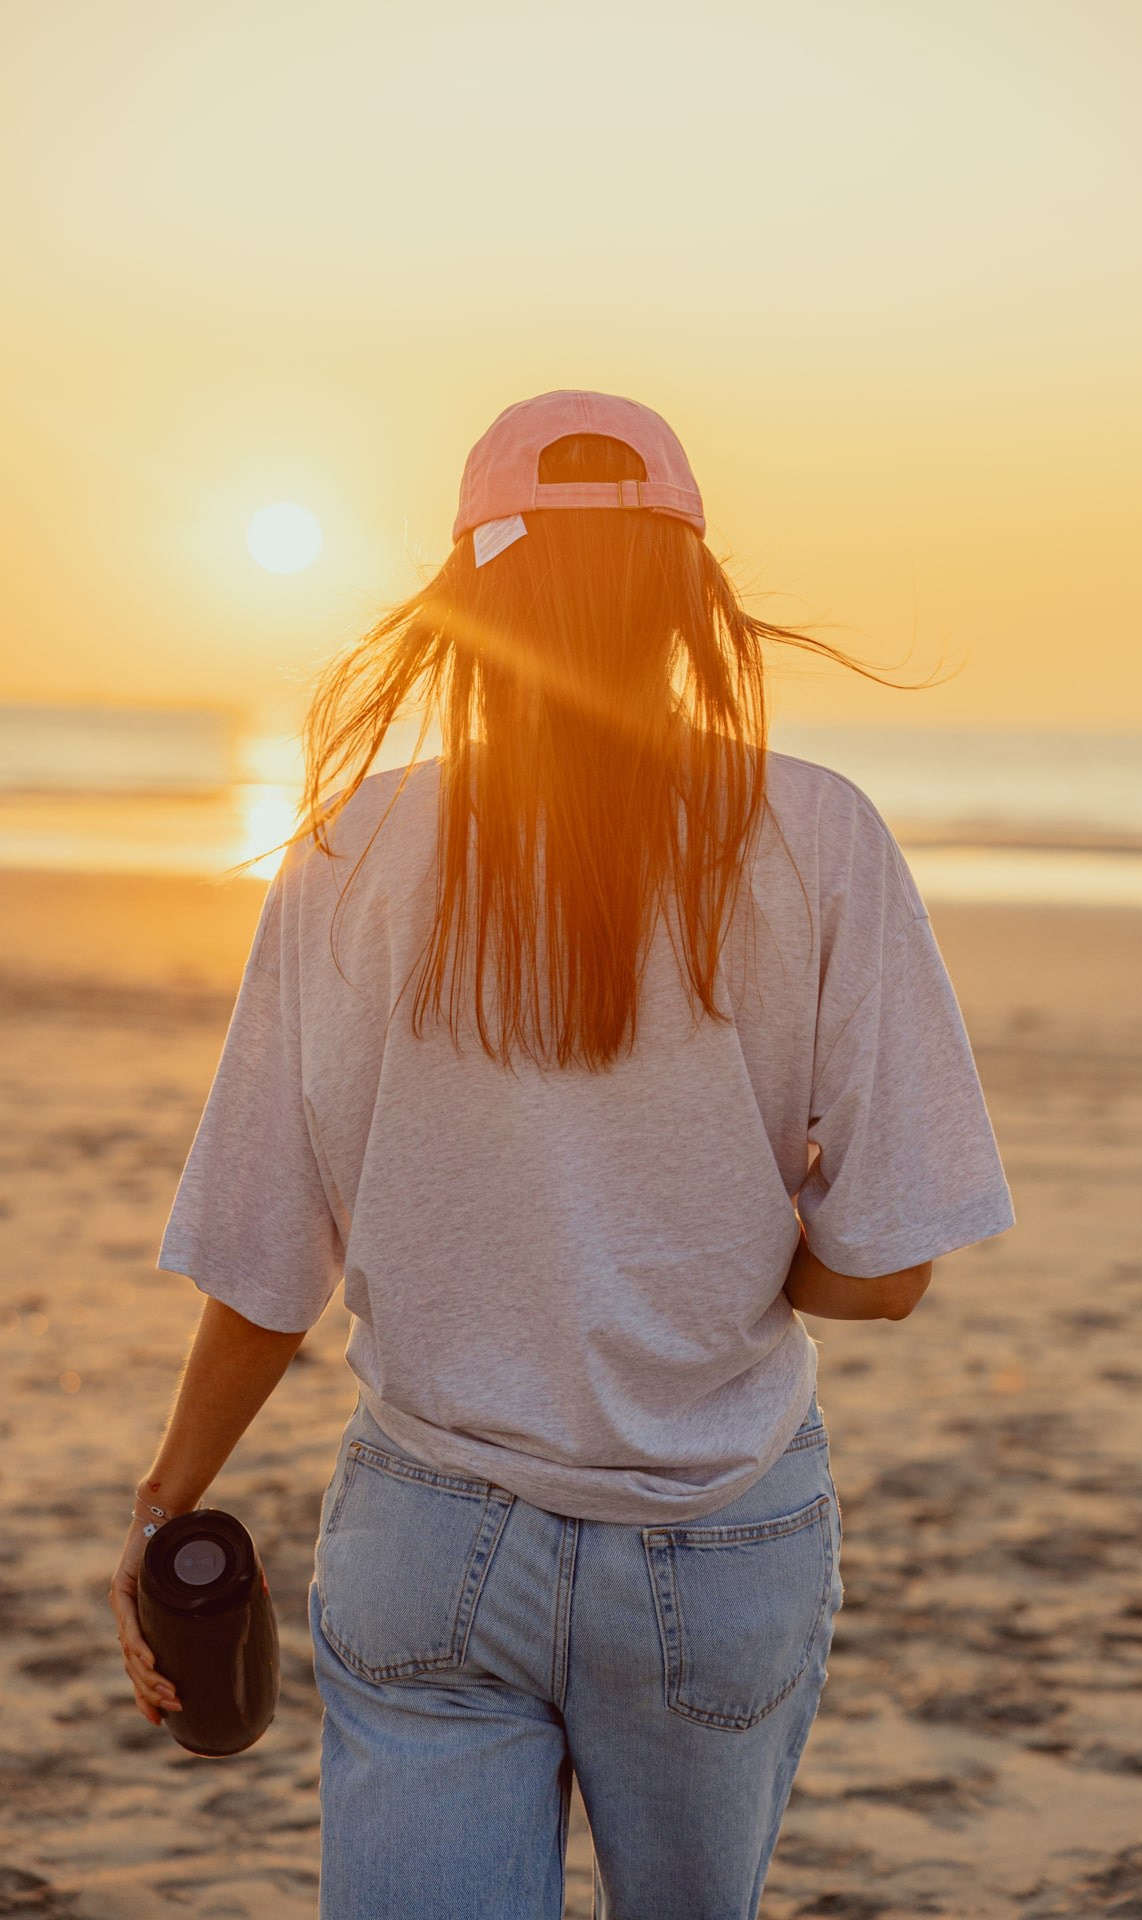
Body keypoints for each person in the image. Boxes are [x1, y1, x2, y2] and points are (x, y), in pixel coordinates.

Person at [109, 389, 1015, 1919]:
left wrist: (162, 1504)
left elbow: (273, 1267)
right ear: (690, 602)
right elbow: (888, 1275)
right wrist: (736, 1229)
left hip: (430, 1533)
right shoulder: (820, 835)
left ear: (470, 602)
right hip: (718, 1540)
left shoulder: (345, 849)